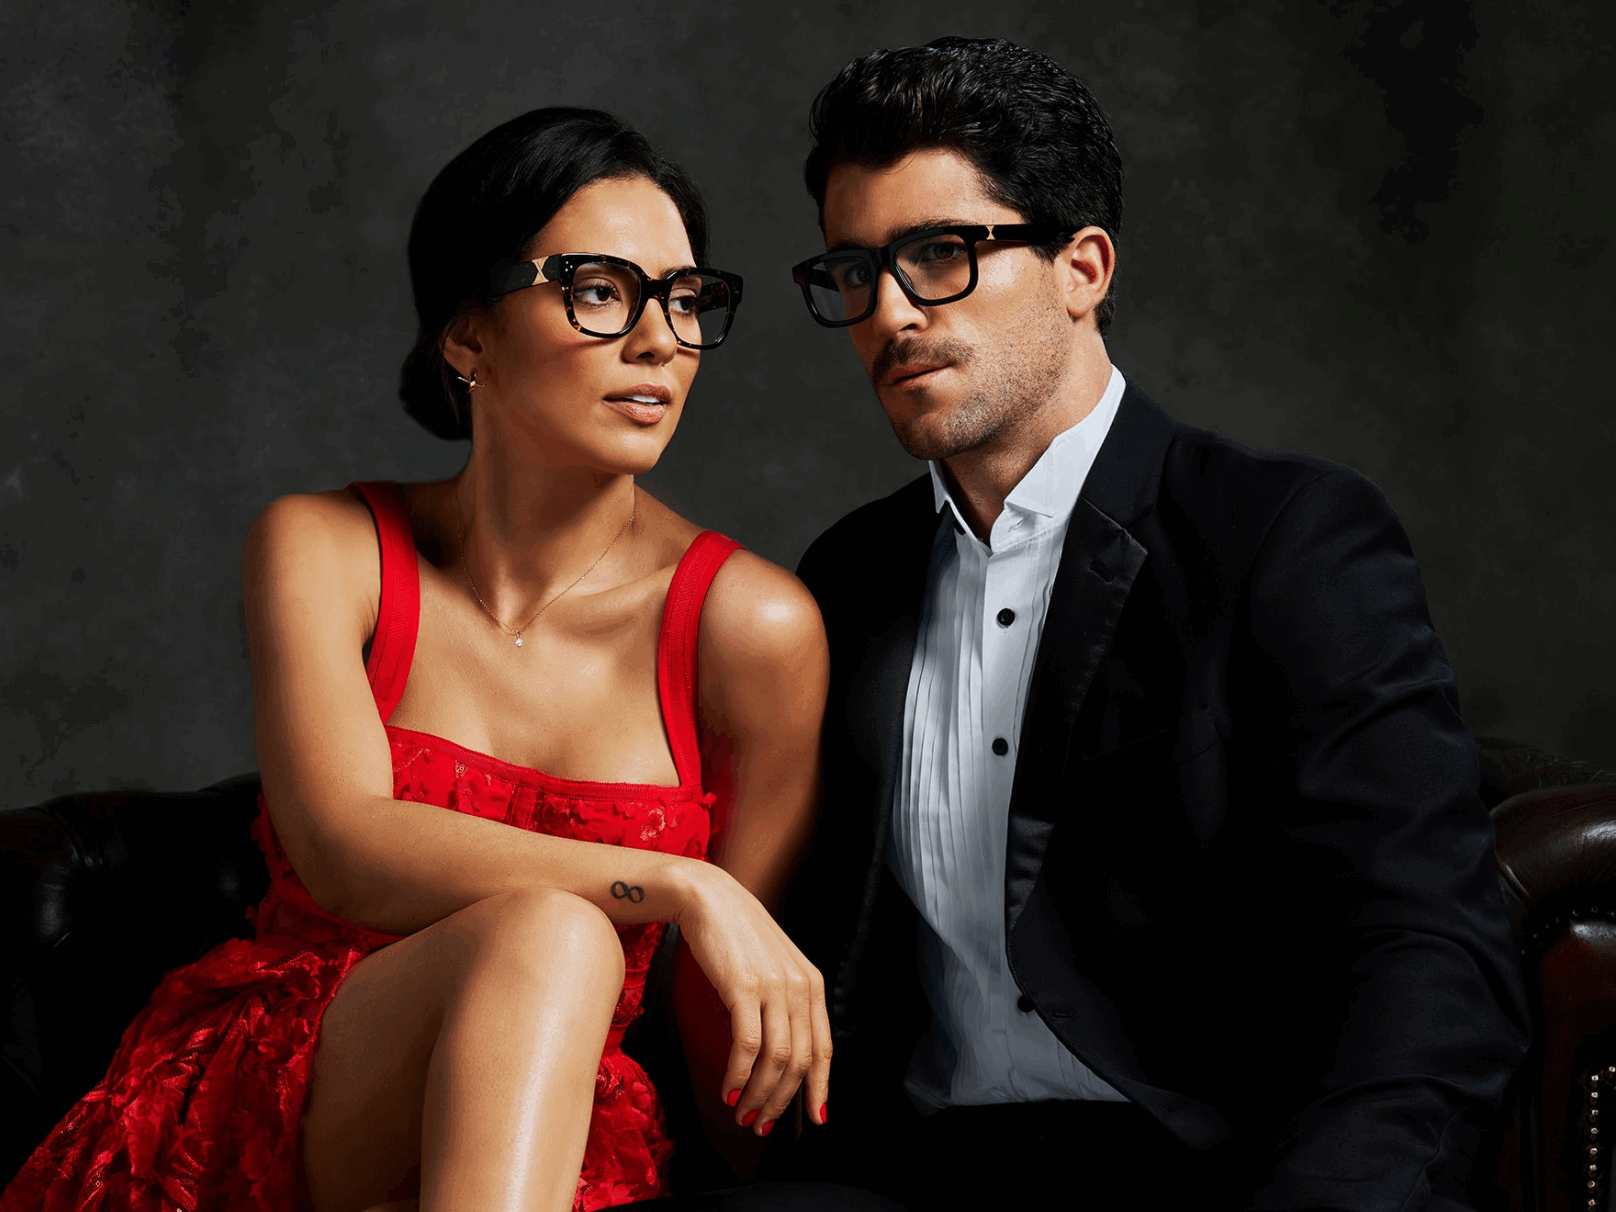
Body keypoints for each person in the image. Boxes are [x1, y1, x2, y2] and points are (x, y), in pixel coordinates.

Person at [2, 107, 836, 1212]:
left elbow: (731, 1022)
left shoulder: (751, 626)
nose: (660, 341)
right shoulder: (325, 547)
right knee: (553, 930)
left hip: (553, 1135)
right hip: (285, 1096)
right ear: (466, 335)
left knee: (556, 955)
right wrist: (683, 883)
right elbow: (345, 849)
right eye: (599, 290)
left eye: (685, 298)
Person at [776, 38, 1531, 1212]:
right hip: (914, 1173)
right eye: (855, 269)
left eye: (937, 255)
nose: (887, 311)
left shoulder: (1281, 535)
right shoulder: (849, 576)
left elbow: (1424, 947)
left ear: (1080, 268)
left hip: (1215, 1173)